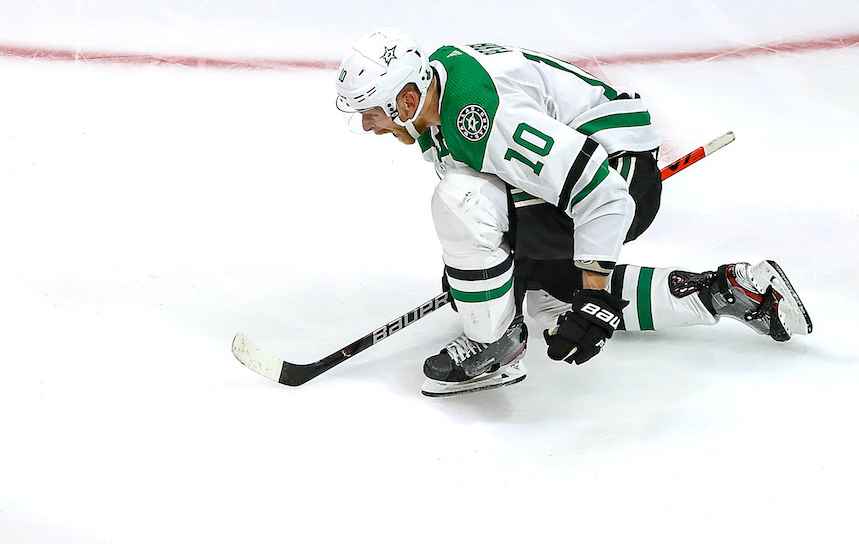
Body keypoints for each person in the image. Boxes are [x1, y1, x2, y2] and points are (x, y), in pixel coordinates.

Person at [333, 29, 812, 396]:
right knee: (545, 287)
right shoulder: (440, 96)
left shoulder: (482, 116)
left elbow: (603, 196)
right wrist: (485, 273)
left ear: (407, 100)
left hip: (616, 177)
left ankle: (496, 345)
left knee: (464, 207)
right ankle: (728, 290)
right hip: (592, 167)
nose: (367, 124)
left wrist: (596, 296)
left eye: (371, 111)